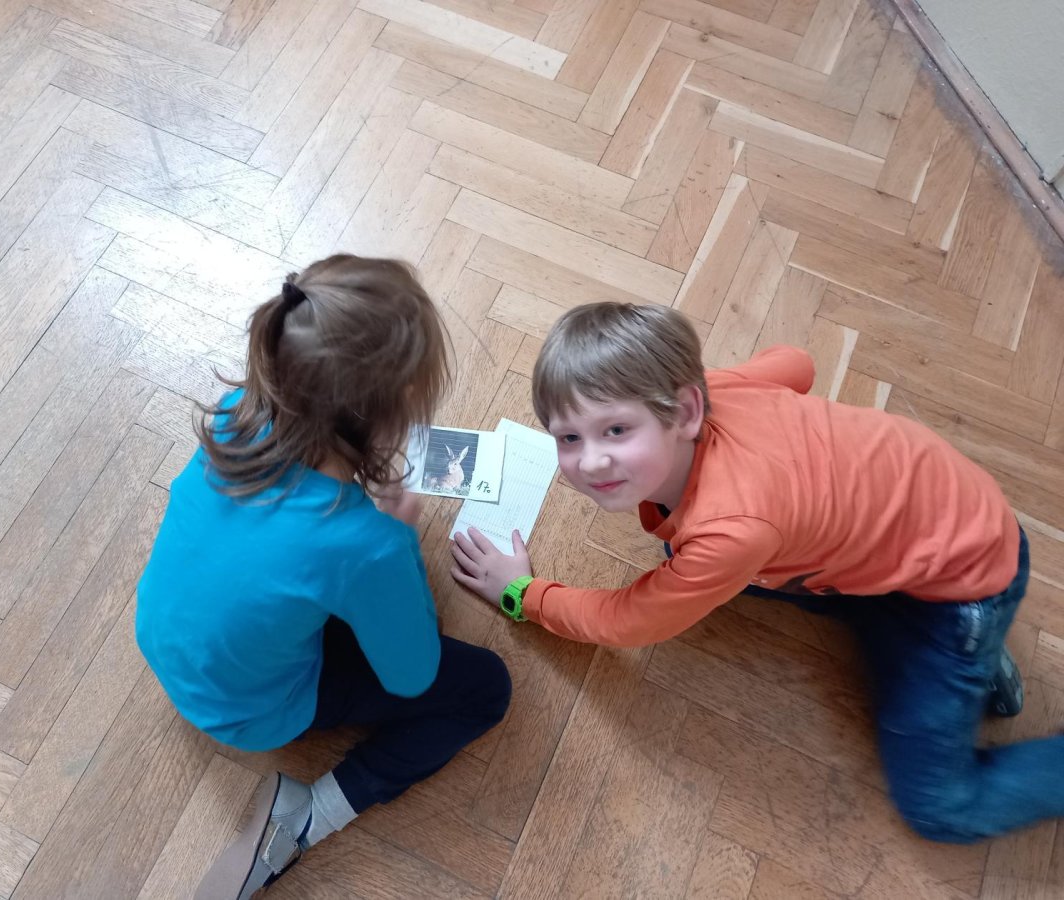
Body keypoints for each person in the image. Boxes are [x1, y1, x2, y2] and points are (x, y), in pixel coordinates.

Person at [451, 301, 1063, 845]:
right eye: (568, 437)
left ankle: (974, 658)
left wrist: (522, 593)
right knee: (692, 563)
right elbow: (796, 363)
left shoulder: (730, 530)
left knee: (939, 809)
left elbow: (628, 622)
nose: (590, 462)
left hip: (964, 587)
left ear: (686, 410)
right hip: (935, 519)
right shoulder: (713, 392)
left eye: (616, 429)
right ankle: (959, 666)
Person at [137, 256, 511, 898]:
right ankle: (312, 816)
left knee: (308, 592)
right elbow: (412, 676)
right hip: (252, 710)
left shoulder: (233, 412)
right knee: (485, 687)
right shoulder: (367, 544)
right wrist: (398, 537)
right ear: (387, 416)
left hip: (168, 644)